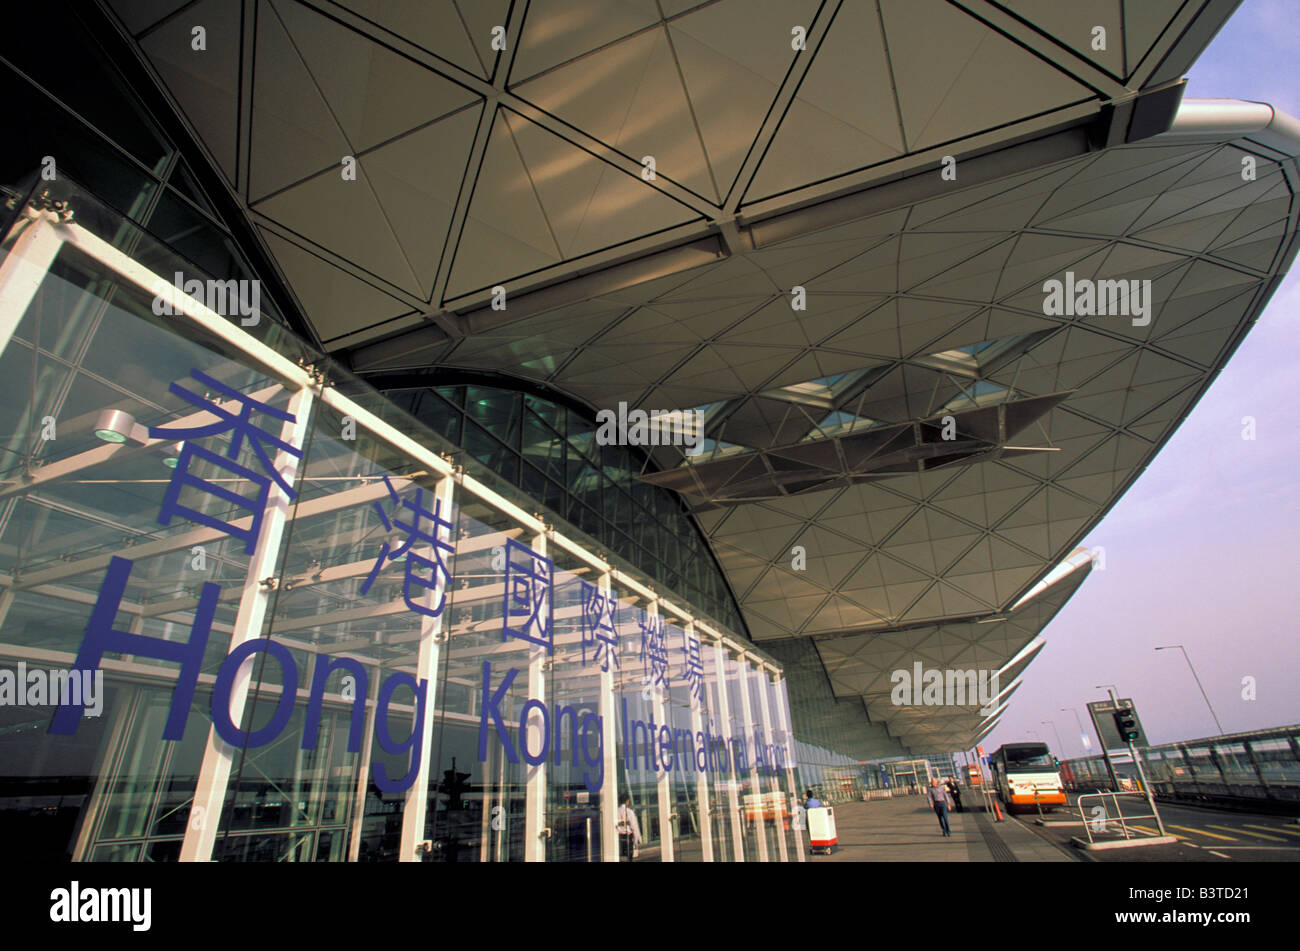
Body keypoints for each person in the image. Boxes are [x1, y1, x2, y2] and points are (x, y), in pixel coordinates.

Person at [616, 791, 641, 861]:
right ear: (627, 801)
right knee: (628, 858)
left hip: (618, 838)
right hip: (628, 838)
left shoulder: (616, 811)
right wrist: (636, 842)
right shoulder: (630, 812)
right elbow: (634, 827)